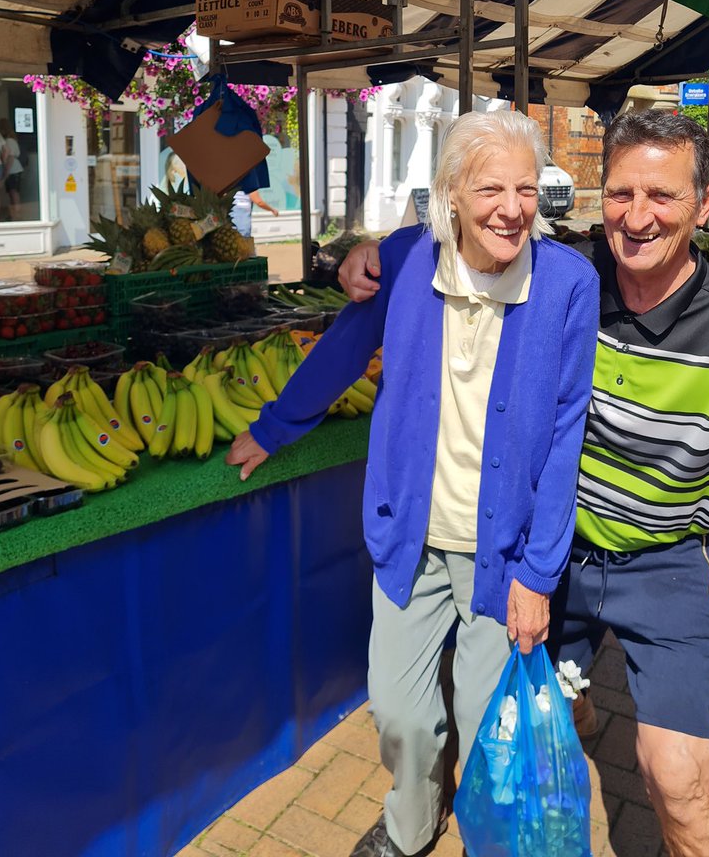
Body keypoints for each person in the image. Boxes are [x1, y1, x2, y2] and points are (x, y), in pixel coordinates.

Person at [340, 110, 709, 857]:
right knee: (527, 715)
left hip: (669, 562)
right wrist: (374, 255)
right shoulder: (573, 275)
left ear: (706, 203)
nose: (638, 217)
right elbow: (469, 240)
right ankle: (569, 704)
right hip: (561, 553)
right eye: (621, 194)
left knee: (678, 774)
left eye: (662, 197)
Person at [227, 109, 600, 857]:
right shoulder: (401, 262)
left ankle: (482, 835)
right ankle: (415, 818)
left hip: (506, 552)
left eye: (526, 189)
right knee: (398, 710)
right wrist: (272, 430)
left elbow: (566, 434)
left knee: (483, 712)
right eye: (490, 188)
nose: (511, 208)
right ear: (451, 197)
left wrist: (538, 572)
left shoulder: (568, 283)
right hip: (412, 538)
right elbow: (342, 351)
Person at [0, 117, 23, 220]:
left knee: (14, 193)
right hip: (15, 169)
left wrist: (5, 174)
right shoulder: (12, 140)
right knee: (13, 193)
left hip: (13, 170)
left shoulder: (8, 141)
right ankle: (15, 214)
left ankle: (17, 215)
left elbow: (10, 159)